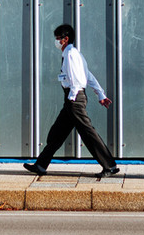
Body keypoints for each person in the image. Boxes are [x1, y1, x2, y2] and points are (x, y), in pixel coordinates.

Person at [24, 24, 120, 178]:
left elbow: (77, 79)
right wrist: (100, 94)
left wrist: (72, 97)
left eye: (58, 38)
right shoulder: (75, 54)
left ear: (65, 39)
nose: (56, 41)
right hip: (72, 98)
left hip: (74, 98)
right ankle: (40, 165)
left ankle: (110, 166)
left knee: (88, 132)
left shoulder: (70, 54)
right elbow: (88, 75)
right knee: (57, 133)